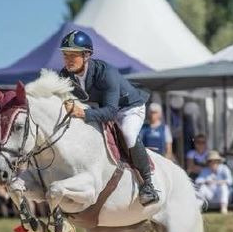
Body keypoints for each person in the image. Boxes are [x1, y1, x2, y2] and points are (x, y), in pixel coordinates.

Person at [57, 30, 158, 206]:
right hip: (99, 108)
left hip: (128, 108)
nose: (68, 59)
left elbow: (111, 112)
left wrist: (83, 113)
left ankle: (148, 185)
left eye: (73, 55)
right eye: (65, 54)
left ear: (86, 55)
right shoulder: (65, 75)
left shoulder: (105, 73)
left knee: (128, 134)